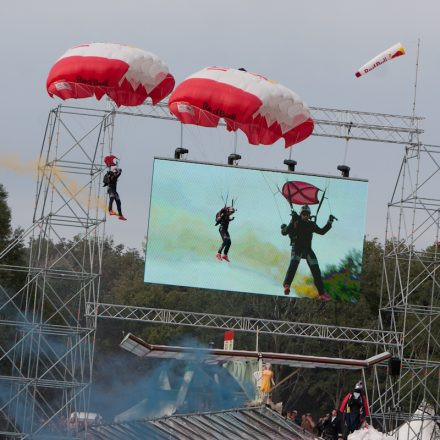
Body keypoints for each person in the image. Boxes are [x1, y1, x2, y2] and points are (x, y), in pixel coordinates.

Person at [281, 204, 336, 300]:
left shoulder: (311, 224)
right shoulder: (295, 221)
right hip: (297, 248)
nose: (305, 216)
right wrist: (292, 221)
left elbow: (322, 231)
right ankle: (287, 285)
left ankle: (321, 294)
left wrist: (330, 222)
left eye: (307, 214)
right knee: (293, 265)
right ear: (301, 214)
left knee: (316, 271)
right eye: (303, 214)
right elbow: (285, 232)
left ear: (309, 215)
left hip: (307, 250)